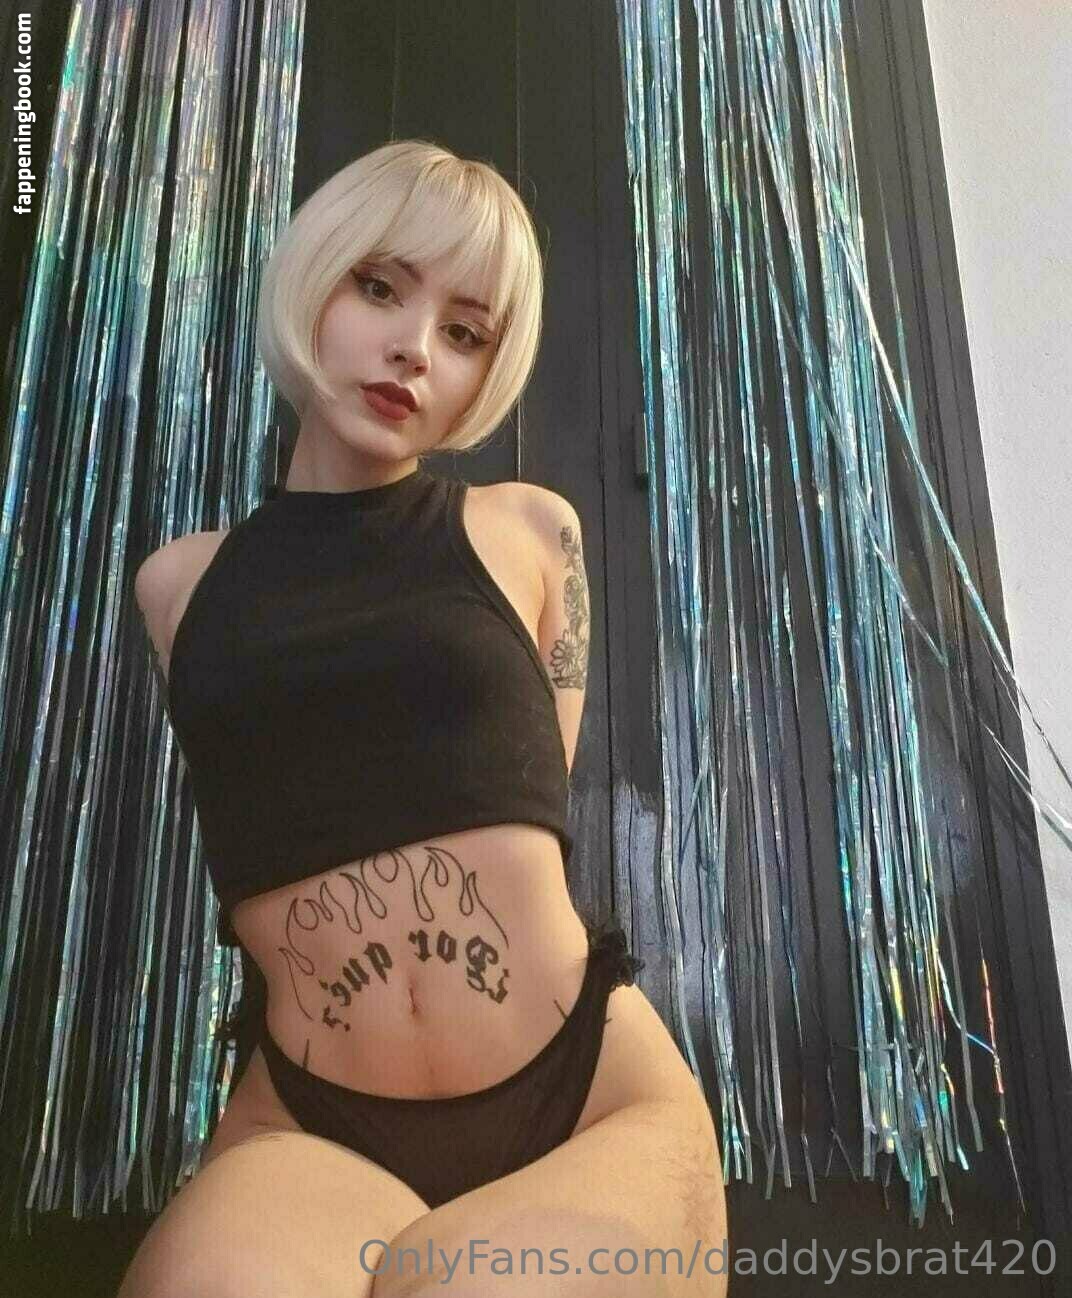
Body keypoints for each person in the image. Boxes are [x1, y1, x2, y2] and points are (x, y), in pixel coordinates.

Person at [120, 139, 726, 1298]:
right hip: (313, 1121)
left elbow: (530, 789)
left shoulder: (533, 532)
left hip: (580, 1091)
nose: (414, 346)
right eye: (380, 286)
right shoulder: (176, 587)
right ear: (316, 277)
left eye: (464, 332)